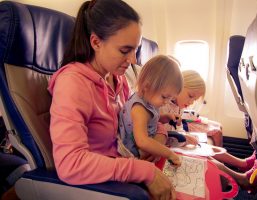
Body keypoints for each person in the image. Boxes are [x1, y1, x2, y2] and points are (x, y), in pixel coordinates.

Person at [48, 0, 176, 199]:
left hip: (128, 165)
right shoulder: (72, 84)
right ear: (96, 42)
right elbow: (70, 164)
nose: (133, 60)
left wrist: (158, 137)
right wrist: (143, 171)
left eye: (136, 50)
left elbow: (138, 117)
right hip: (104, 186)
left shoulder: (119, 79)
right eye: (125, 51)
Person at [160, 70, 257, 193]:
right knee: (209, 161)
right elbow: (160, 134)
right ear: (178, 86)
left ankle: (243, 163)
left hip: (177, 143)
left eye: (194, 100)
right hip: (169, 147)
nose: (191, 102)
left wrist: (185, 136)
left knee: (210, 149)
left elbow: (178, 128)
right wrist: (182, 138)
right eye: (190, 96)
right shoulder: (162, 105)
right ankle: (243, 180)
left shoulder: (177, 107)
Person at [118, 55, 183, 167]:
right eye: (164, 97)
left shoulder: (149, 100)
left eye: (170, 99)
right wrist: (169, 154)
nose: (166, 102)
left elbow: (151, 119)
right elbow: (142, 141)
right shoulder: (139, 109)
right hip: (134, 153)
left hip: (146, 142)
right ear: (147, 86)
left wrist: (166, 117)